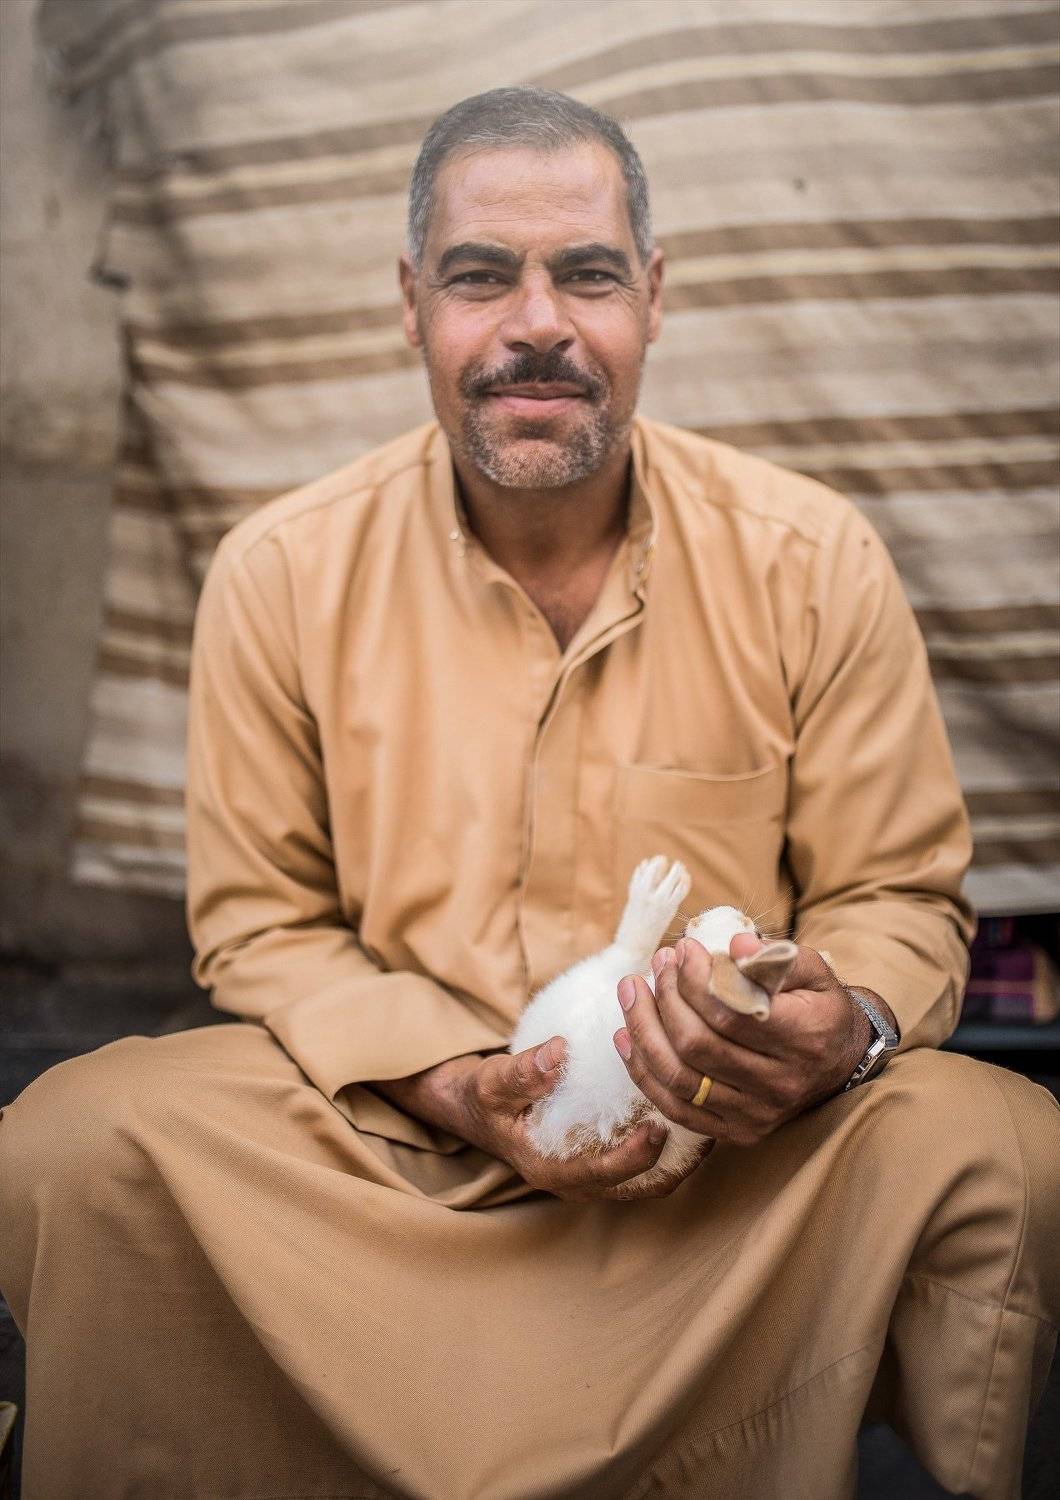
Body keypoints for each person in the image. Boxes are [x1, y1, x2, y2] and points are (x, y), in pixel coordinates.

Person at [1, 86, 1057, 1500]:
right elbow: (263, 927)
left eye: (590, 275)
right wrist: (456, 1084)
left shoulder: (811, 559)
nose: (537, 324)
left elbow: (897, 893)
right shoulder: (281, 573)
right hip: (389, 1159)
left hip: (716, 1172)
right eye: (481, 275)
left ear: (655, 297)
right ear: (412, 304)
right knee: (73, 1139)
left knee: (1002, 1146)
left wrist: (840, 1033)